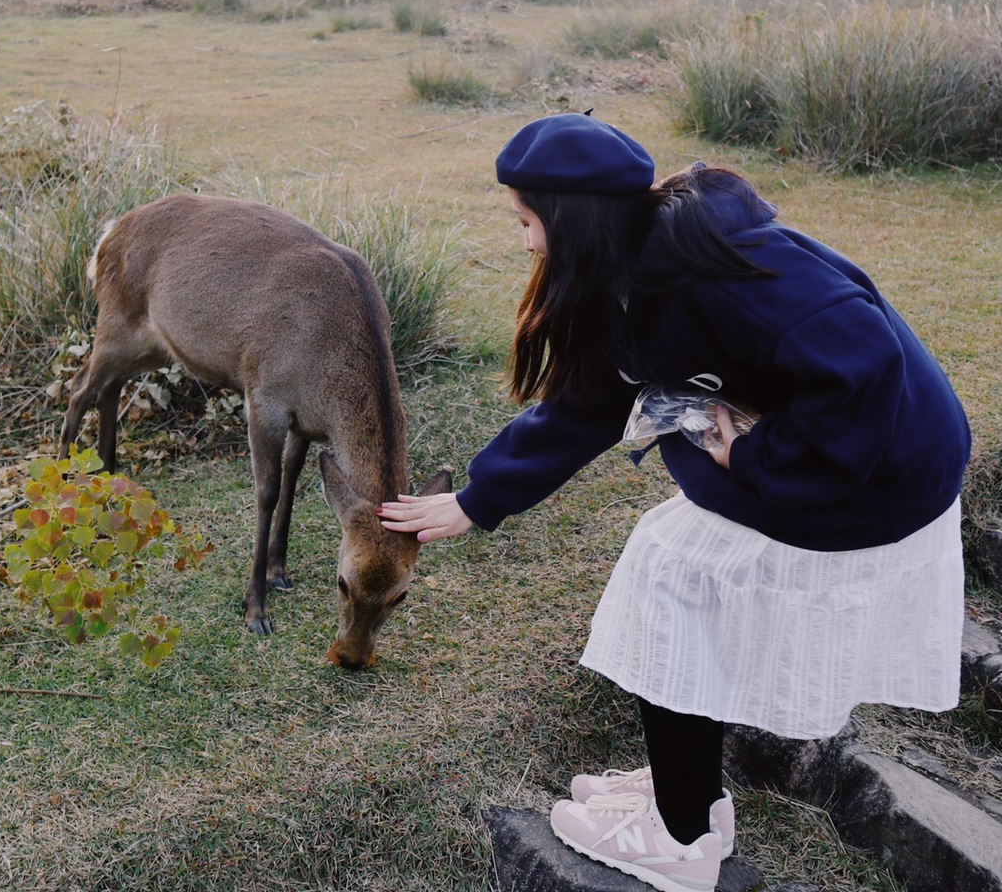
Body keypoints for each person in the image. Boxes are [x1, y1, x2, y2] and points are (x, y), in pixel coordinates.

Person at [378, 113, 969, 892]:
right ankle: (688, 796)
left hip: (884, 473)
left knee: (671, 569)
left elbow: (865, 362)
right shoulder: (633, 272)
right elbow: (589, 400)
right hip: (848, 456)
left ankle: (682, 838)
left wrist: (760, 456)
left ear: (575, 219)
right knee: (675, 571)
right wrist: (479, 499)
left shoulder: (722, 273)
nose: (526, 243)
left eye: (529, 222)